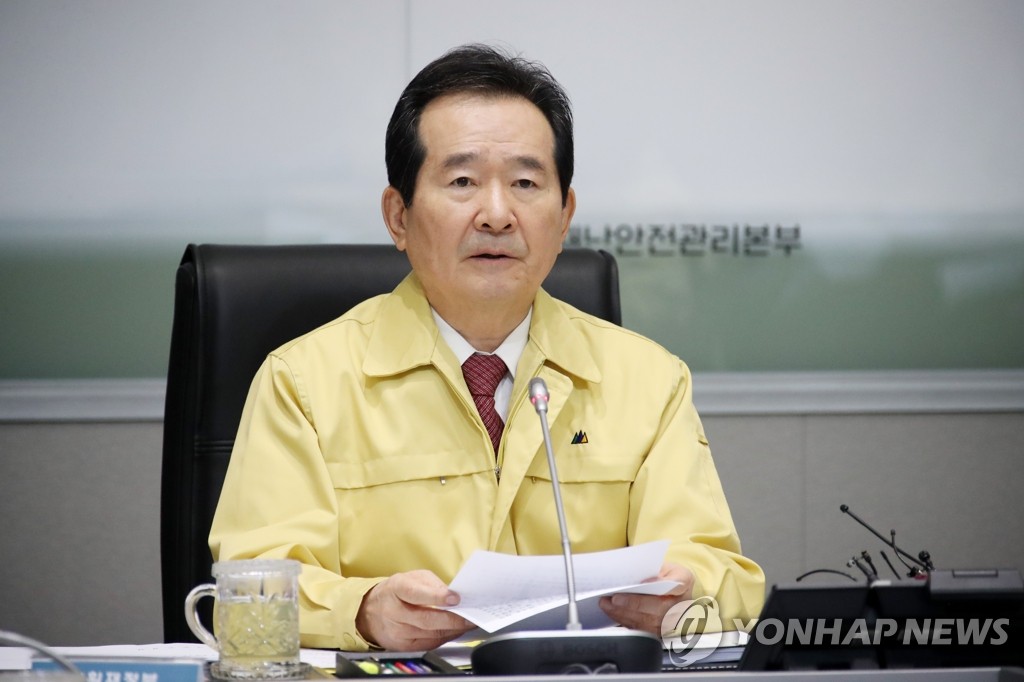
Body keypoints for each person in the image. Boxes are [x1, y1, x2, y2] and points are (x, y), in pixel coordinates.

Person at [209, 43, 764, 652]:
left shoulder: (648, 381)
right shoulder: (305, 383)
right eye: (462, 181)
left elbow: (727, 575)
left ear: (564, 216)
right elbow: (252, 590)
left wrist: (685, 594)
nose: (497, 214)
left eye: (525, 183)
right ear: (398, 216)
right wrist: (363, 612)